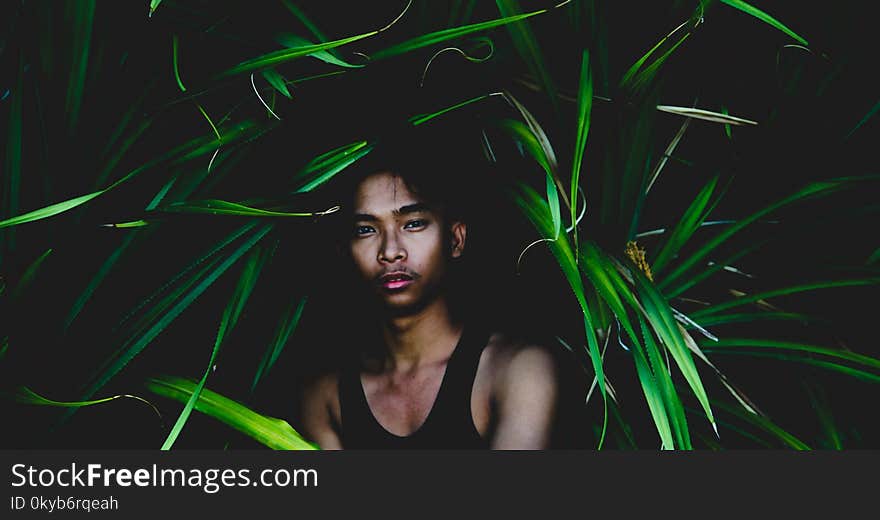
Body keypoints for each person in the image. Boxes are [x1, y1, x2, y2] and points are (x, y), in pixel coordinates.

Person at [299, 127, 586, 449]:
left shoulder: (513, 369)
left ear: (455, 239)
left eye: (413, 224)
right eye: (366, 229)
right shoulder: (328, 396)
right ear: (344, 250)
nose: (390, 250)